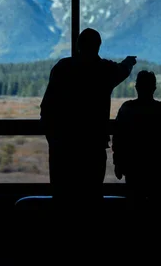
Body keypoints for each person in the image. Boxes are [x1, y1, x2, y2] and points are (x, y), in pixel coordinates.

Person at [40, 28, 137, 201]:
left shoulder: (62, 68)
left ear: (78, 46)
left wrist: (53, 139)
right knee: (91, 198)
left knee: (62, 198)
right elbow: (122, 70)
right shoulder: (104, 70)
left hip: (63, 150)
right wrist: (129, 62)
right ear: (98, 46)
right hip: (93, 148)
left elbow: (47, 108)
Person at [112, 70, 161, 201]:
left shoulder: (127, 109)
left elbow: (118, 138)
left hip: (133, 168)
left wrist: (118, 163)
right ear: (154, 88)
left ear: (136, 87)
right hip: (158, 169)